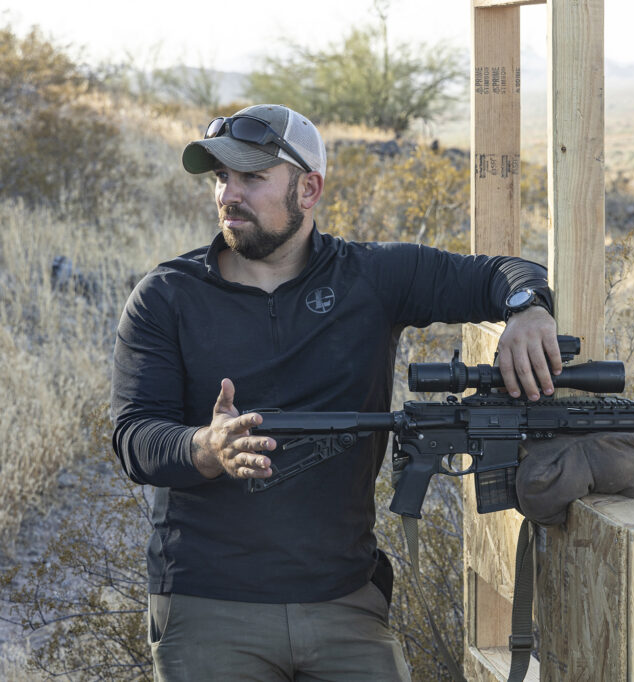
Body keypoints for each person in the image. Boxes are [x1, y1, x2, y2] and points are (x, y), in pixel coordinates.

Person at [111, 103, 560, 681]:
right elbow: (133, 436)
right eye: (221, 177)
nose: (228, 194)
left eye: (251, 177)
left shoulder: (370, 278)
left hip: (346, 601)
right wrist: (207, 447)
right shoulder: (166, 297)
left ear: (309, 188)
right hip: (209, 606)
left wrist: (527, 309)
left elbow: (500, 272)